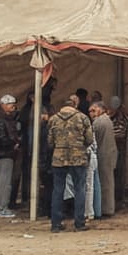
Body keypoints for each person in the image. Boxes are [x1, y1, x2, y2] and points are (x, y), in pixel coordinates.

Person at [47, 97, 93, 233]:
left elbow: (49, 142)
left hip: (58, 157)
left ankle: (56, 224)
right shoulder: (83, 118)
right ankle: (79, 223)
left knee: (58, 190)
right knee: (80, 188)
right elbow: (89, 139)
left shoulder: (53, 119)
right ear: (74, 106)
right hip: (78, 157)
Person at [0, 94, 21, 218]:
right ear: (3, 105)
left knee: (5, 182)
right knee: (3, 182)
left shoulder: (5, 119)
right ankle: (1, 207)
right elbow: (0, 138)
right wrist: (13, 144)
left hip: (6, 154)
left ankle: (2, 206)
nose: (13, 106)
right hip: (3, 155)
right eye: (10, 104)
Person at [91, 101, 118, 218]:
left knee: (103, 183)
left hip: (103, 154)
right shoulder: (107, 120)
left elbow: (92, 139)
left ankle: (104, 209)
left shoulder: (98, 122)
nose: (90, 113)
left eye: (92, 110)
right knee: (108, 182)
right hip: (109, 153)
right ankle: (108, 208)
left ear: (99, 109)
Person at [106, 95, 128, 211]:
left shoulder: (111, 116)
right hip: (118, 148)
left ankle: (117, 198)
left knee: (116, 173)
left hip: (114, 148)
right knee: (118, 173)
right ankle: (118, 198)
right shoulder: (123, 116)